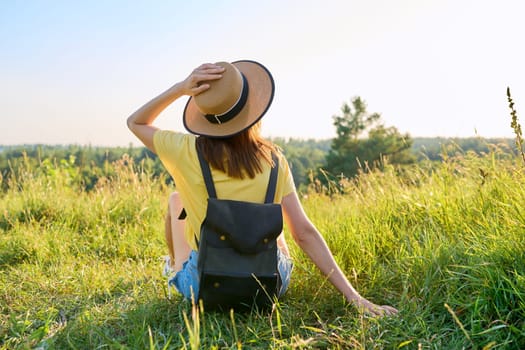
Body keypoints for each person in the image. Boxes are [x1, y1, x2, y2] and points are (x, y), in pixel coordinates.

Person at [127, 60, 398, 316]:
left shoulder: (184, 150)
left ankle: (174, 268)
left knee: (177, 200)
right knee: (276, 222)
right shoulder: (274, 160)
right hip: (267, 288)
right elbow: (303, 233)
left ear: (205, 116)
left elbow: (136, 122)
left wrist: (181, 88)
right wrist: (356, 298)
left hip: (203, 287)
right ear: (252, 110)